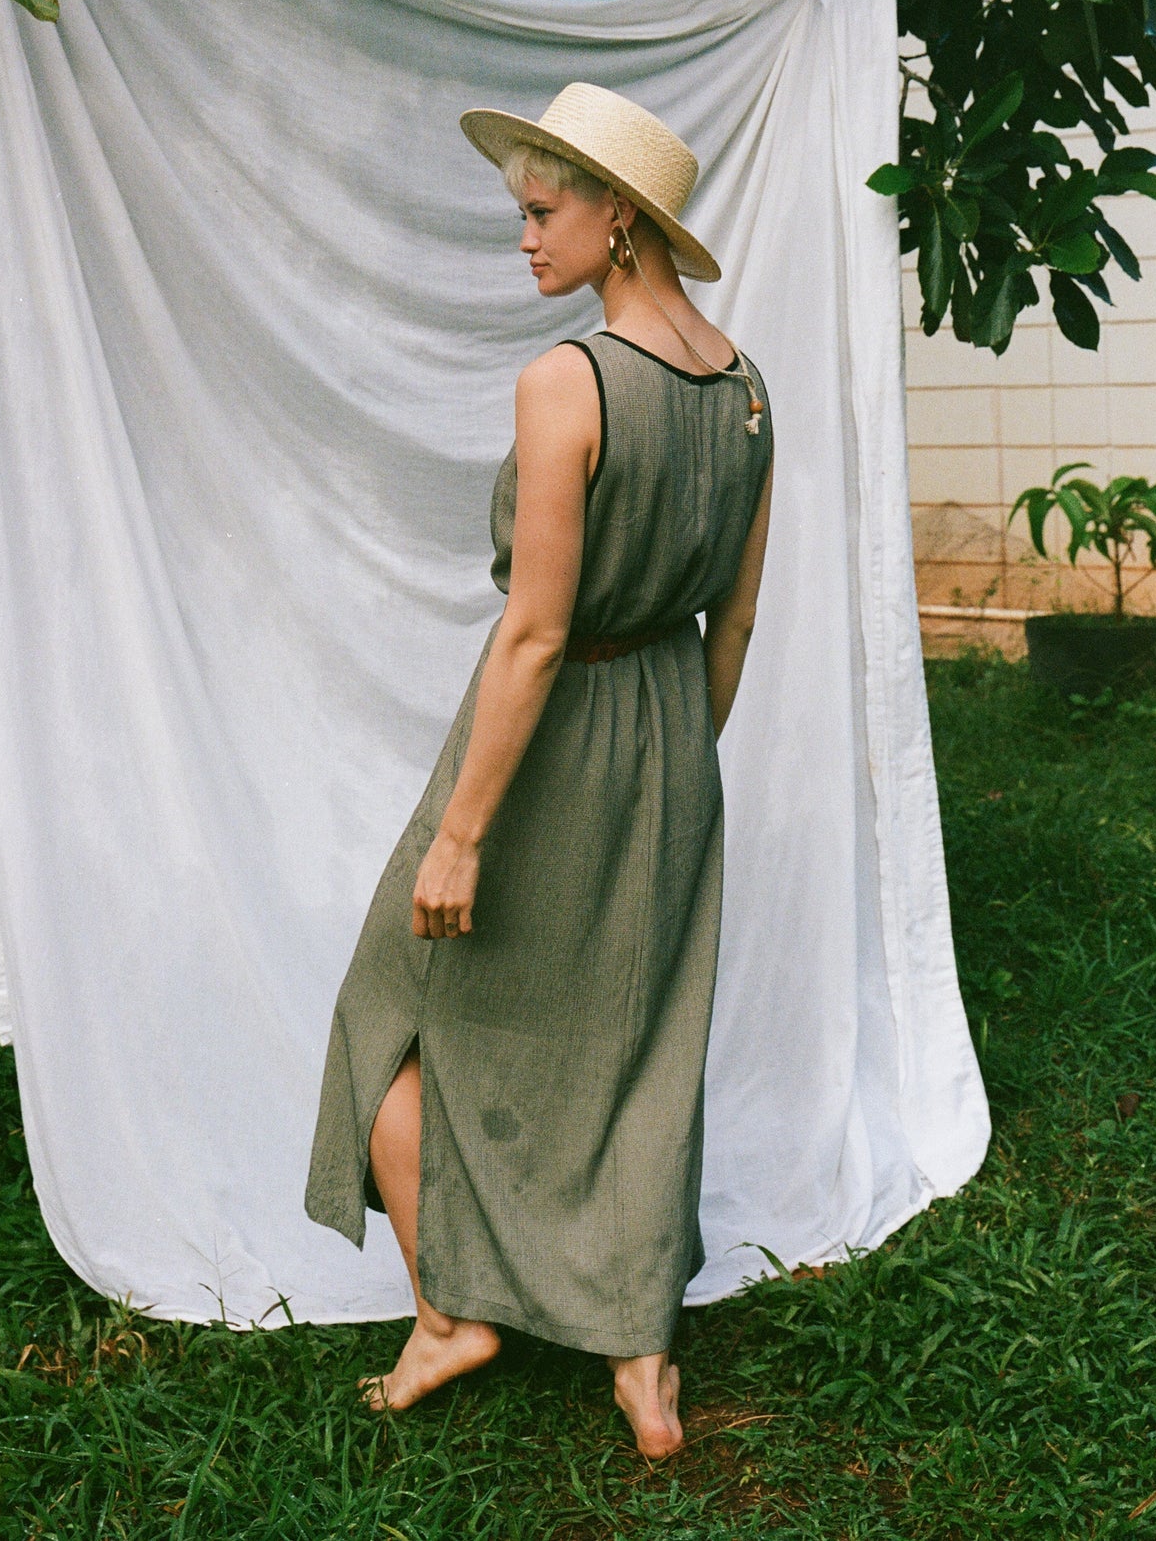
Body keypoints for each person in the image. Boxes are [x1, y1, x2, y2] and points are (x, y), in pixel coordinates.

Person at [305, 82, 774, 1460]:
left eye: (540, 209)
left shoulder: (568, 381)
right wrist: (676, 757)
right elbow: (735, 620)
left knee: (385, 1008)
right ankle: (643, 1365)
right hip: (675, 739)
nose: (522, 236)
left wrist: (461, 836)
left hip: (547, 739)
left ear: (616, 217)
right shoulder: (747, 390)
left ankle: (450, 1314)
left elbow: (535, 633)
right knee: (639, 1043)